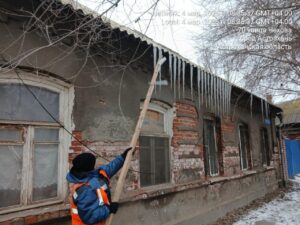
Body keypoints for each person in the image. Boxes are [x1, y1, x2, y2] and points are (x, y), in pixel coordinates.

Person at [66, 147, 132, 225]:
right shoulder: (84, 189)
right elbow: (90, 217)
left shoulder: (93, 174)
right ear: (88, 168)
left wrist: (123, 157)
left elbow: (110, 168)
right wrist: (109, 208)